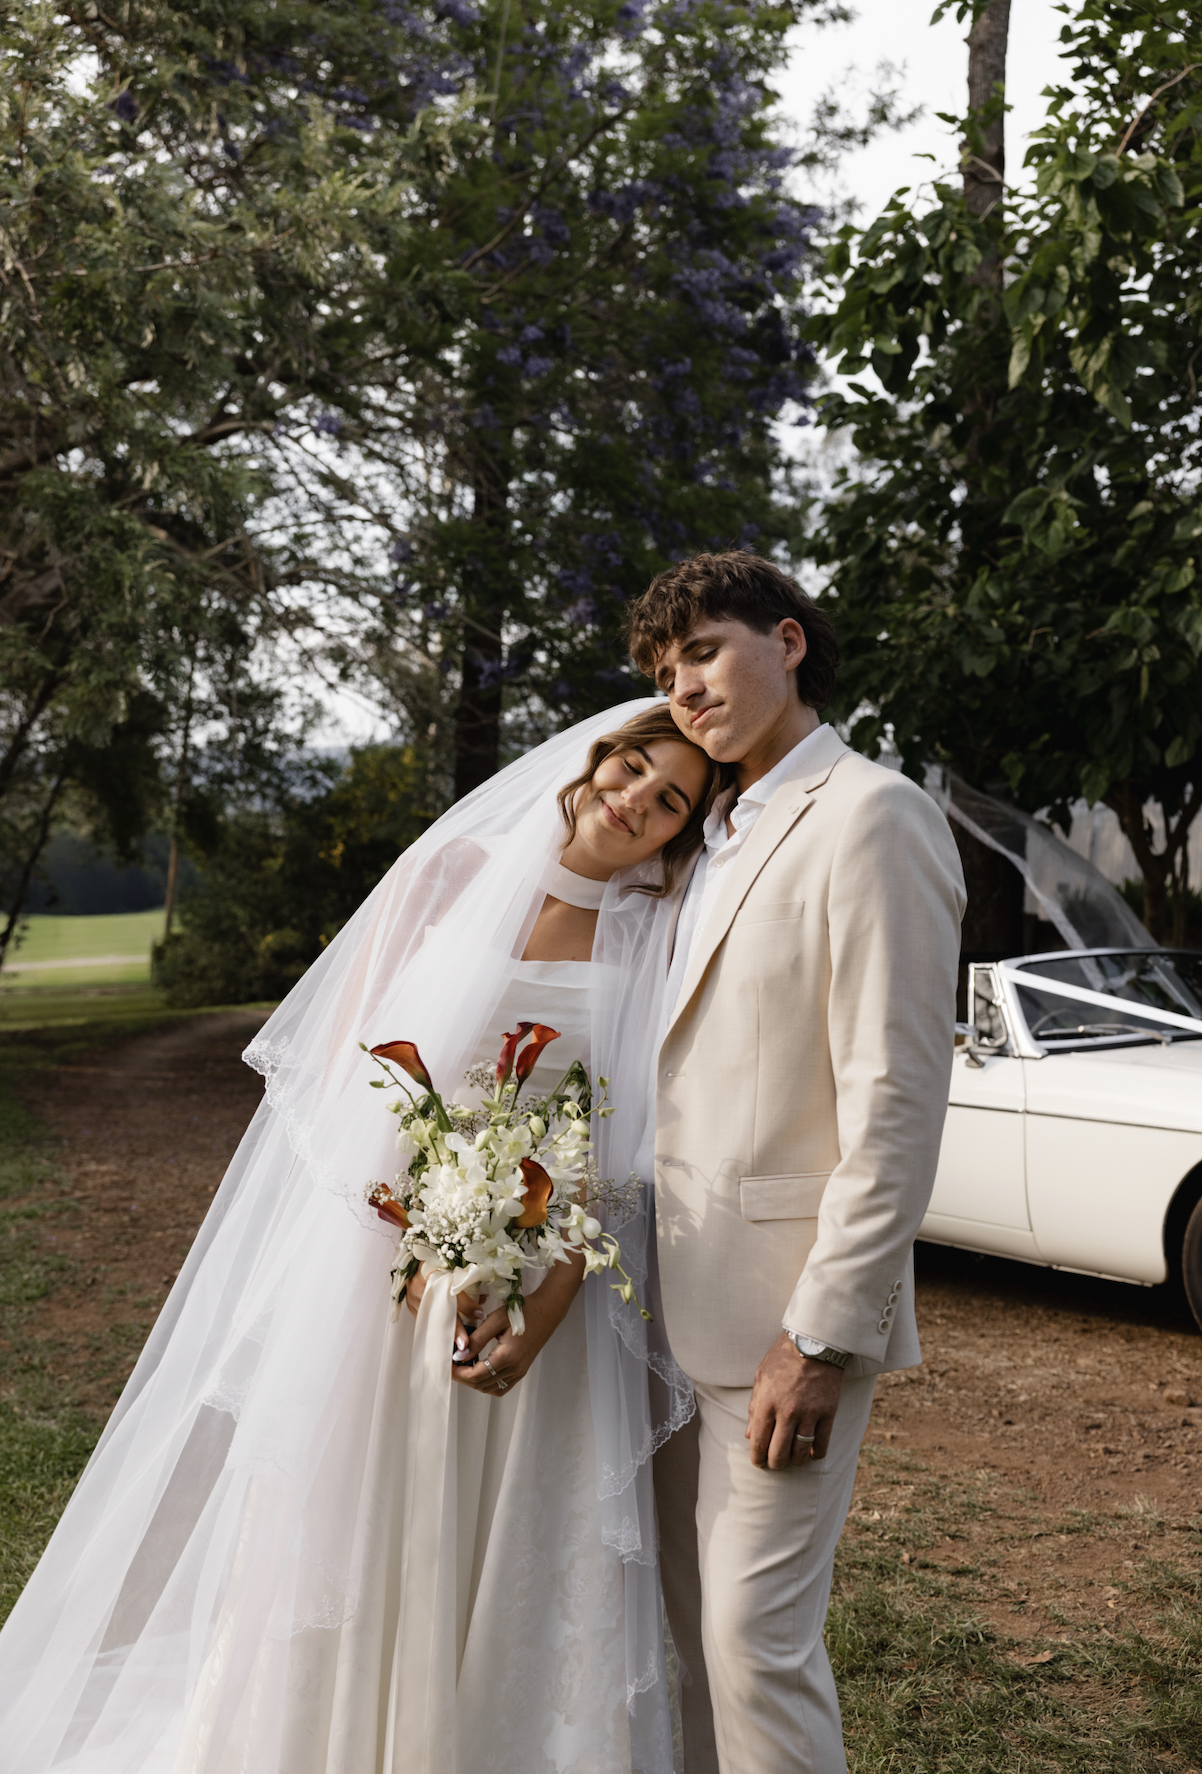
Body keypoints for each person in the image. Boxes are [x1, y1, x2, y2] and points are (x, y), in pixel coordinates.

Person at [0, 703, 725, 1774]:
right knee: (361, 1516)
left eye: (670, 801)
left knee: (512, 1532)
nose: (635, 801)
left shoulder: (649, 928)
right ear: (595, 756)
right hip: (383, 1258)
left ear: (679, 831)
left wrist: (543, 1298)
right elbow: (352, 1081)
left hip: (540, 1284)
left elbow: (621, 1153)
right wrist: (418, 1239)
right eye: (631, 766)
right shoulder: (453, 873)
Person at [625, 553, 967, 1774]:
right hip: (655, 1310)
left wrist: (823, 1334)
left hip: (781, 1314)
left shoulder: (872, 815)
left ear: (787, 640)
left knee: (753, 1641)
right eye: (666, 678)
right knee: (681, 1635)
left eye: (705, 652)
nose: (686, 689)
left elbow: (895, 1103)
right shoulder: (697, 839)